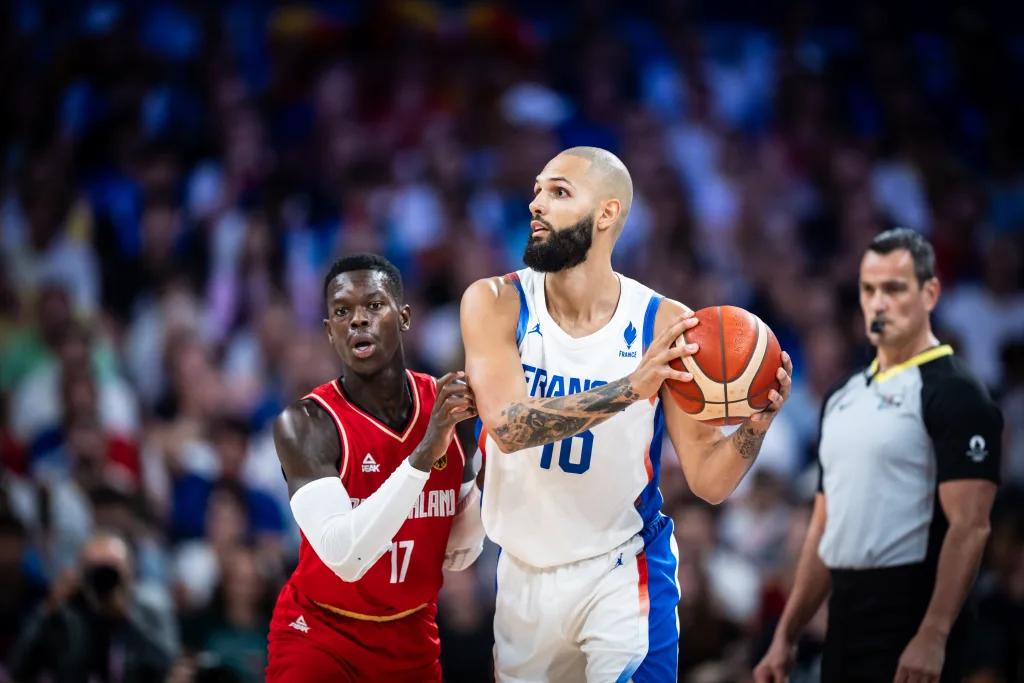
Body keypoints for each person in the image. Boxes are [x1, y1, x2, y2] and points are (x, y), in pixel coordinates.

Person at [460, 146, 793, 681]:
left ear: (608, 214)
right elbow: (508, 426)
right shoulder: (495, 301)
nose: (536, 204)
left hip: (622, 571)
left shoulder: (666, 322)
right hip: (522, 575)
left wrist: (753, 429)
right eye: (538, 189)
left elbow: (708, 481)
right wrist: (628, 389)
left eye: (560, 192)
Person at [754, 228, 1003, 683]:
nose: (878, 301)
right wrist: (786, 635)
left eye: (894, 287)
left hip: (915, 621)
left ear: (930, 293)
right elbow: (825, 527)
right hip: (846, 626)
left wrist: (934, 633)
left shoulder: (957, 393)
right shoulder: (842, 397)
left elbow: (971, 525)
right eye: (869, 289)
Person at [265, 253, 485, 682]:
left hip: (411, 632)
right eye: (342, 311)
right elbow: (345, 558)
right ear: (330, 332)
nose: (358, 321)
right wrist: (424, 453)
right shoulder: (306, 423)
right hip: (320, 632)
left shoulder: (449, 407)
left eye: (373, 306)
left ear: (403, 317)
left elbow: (461, 554)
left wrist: (480, 475)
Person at [8, 530, 179, 683]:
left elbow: (168, 665)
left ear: (130, 571)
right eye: (95, 570)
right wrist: (48, 608)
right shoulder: (67, 612)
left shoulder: (150, 607)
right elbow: (18, 668)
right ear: (81, 573)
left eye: (112, 570)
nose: (104, 579)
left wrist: (126, 618)